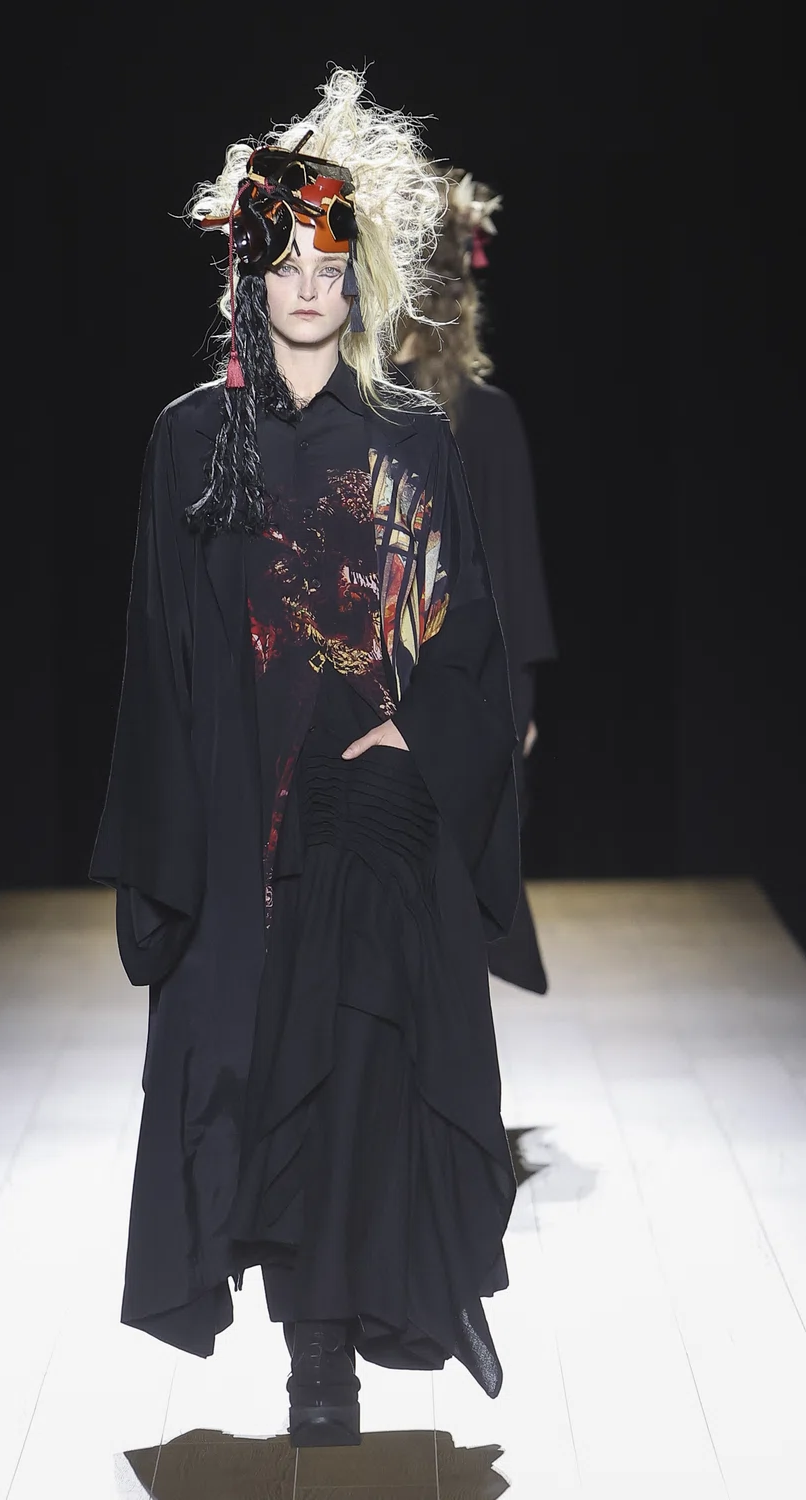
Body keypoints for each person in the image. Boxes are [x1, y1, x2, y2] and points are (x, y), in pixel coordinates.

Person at [91, 71, 520, 1448]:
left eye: (330, 266)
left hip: (365, 820)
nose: (310, 288)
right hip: (235, 823)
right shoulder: (186, 443)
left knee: (350, 1084)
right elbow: (157, 650)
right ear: (248, 274)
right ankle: (296, 1336)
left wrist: (416, 733)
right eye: (285, 265)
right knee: (242, 1080)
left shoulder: (409, 438)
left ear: (358, 274)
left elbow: (468, 629)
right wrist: (160, 851)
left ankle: (321, 1364)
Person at [396, 170, 557, 994]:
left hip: (422, 691)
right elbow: (516, 580)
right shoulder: (472, 415)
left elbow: (512, 575)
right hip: (426, 691)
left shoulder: (460, 418)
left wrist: (516, 708)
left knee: (423, 921)